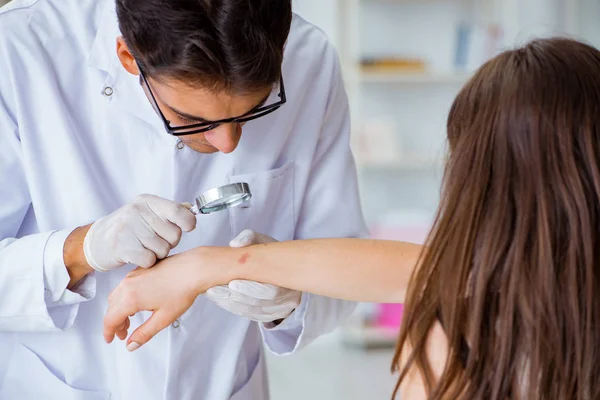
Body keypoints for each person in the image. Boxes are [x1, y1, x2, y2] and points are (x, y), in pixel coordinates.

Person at [104, 37, 600, 399]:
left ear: (479, 177)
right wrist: (220, 264)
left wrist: (215, 265)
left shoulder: (452, 343)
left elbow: (436, 272)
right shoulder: (507, 294)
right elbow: (435, 269)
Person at [0, 0, 368, 398]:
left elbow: (348, 265)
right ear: (127, 55)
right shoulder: (20, 49)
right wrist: (83, 248)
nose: (228, 144)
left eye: (254, 112)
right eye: (193, 120)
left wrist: (291, 295)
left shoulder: (308, 57)